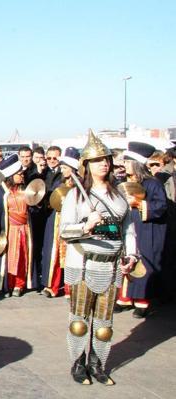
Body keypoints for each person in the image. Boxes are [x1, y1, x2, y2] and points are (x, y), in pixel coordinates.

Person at [59, 130, 137, 385]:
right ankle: (78, 364)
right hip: (84, 262)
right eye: (97, 160)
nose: (104, 163)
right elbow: (64, 232)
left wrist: (132, 254)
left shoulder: (119, 194)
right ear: (87, 165)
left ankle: (97, 363)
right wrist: (86, 226)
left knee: (104, 323)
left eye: (106, 159)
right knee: (80, 321)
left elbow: (127, 229)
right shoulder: (75, 195)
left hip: (111, 264)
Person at [115, 142, 167, 318]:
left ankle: (142, 300)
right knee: (126, 257)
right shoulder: (124, 182)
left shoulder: (153, 184)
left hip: (147, 229)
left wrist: (139, 204)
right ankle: (125, 297)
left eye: (128, 161)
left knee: (143, 260)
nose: (125, 164)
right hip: (129, 226)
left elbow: (160, 207)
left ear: (136, 163)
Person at [0, 154, 34, 296]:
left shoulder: (25, 189)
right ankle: (7, 285)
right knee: (8, 259)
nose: (22, 176)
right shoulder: (0, 193)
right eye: (19, 174)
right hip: (9, 231)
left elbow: (31, 209)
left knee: (22, 258)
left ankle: (19, 285)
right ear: (11, 175)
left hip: (24, 230)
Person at [40, 147, 79, 298]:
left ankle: (71, 287)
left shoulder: (81, 184)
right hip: (56, 220)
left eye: (64, 167)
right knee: (54, 254)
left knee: (72, 255)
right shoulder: (58, 180)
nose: (61, 170)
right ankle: (52, 285)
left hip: (73, 222)